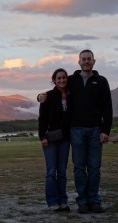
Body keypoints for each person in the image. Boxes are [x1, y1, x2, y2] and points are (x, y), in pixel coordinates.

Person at [37, 49, 113, 214]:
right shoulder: (72, 80)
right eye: (83, 59)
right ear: (79, 62)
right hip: (76, 130)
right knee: (79, 167)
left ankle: (94, 200)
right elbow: (56, 89)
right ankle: (82, 201)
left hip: (95, 129)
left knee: (94, 167)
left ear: (94, 61)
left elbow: (108, 107)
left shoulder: (101, 81)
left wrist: (105, 130)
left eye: (89, 59)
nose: (86, 62)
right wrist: (39, 97)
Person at [38, 68, 71, 212]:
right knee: (51, 172)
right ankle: (52, 202)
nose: (62, 80)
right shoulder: (48, 96)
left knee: (62, 171)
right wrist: (42, 136)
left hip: (65, 139)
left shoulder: (72, 94)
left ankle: (63, 201)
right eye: (59, 78)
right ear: (54, 80)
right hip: (50, 139)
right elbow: (42, 118)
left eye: (64, 77)